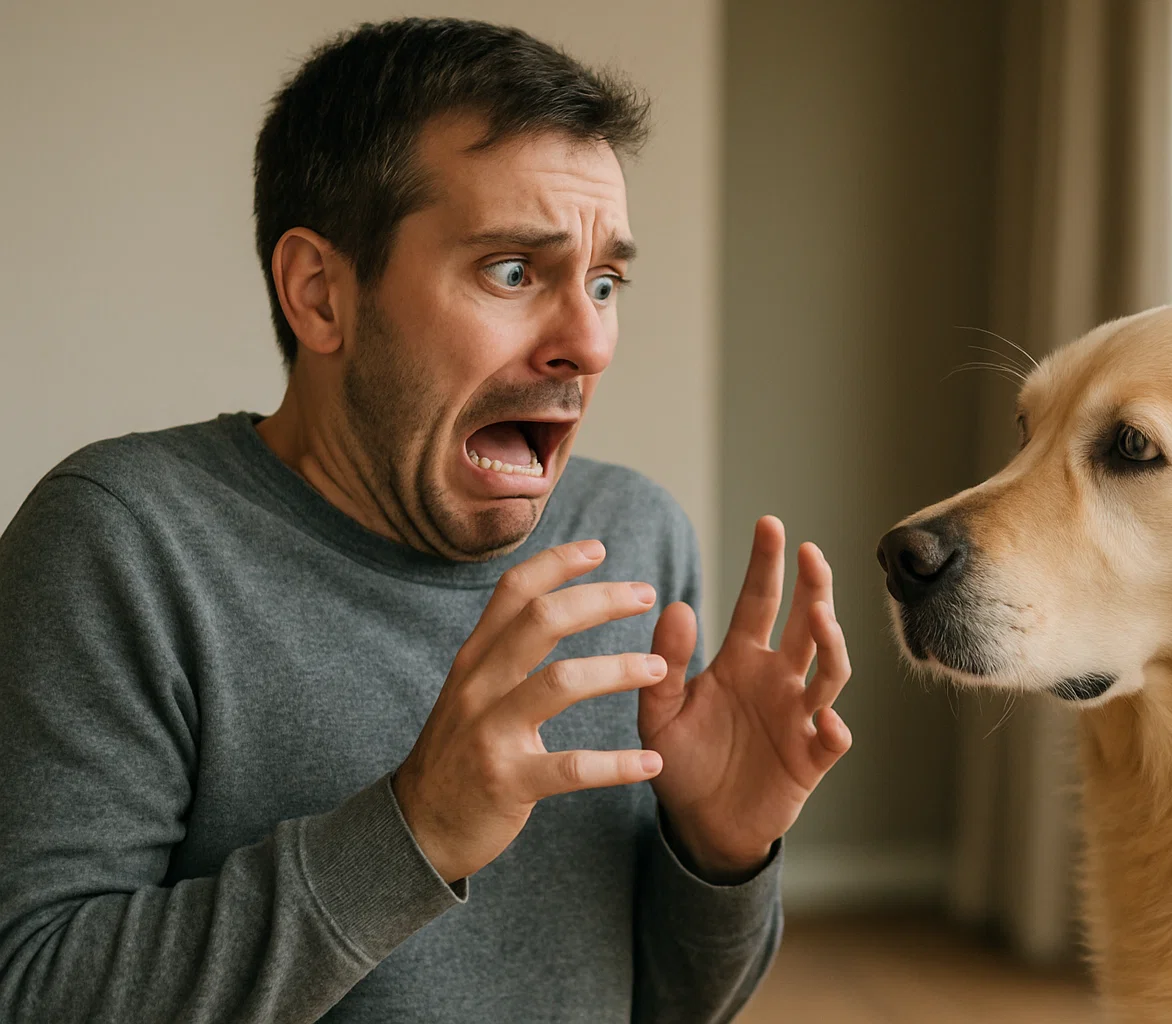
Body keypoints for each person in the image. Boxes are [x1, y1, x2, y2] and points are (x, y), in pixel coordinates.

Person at [0, 18, 853, 1023]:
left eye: (606, 281)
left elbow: (666, 1004)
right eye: (512, 271)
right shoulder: (123, 543)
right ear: (321, 296)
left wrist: (718, 854)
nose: (588, 340)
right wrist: (413, 832)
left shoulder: (633, 538)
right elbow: (32, 990)